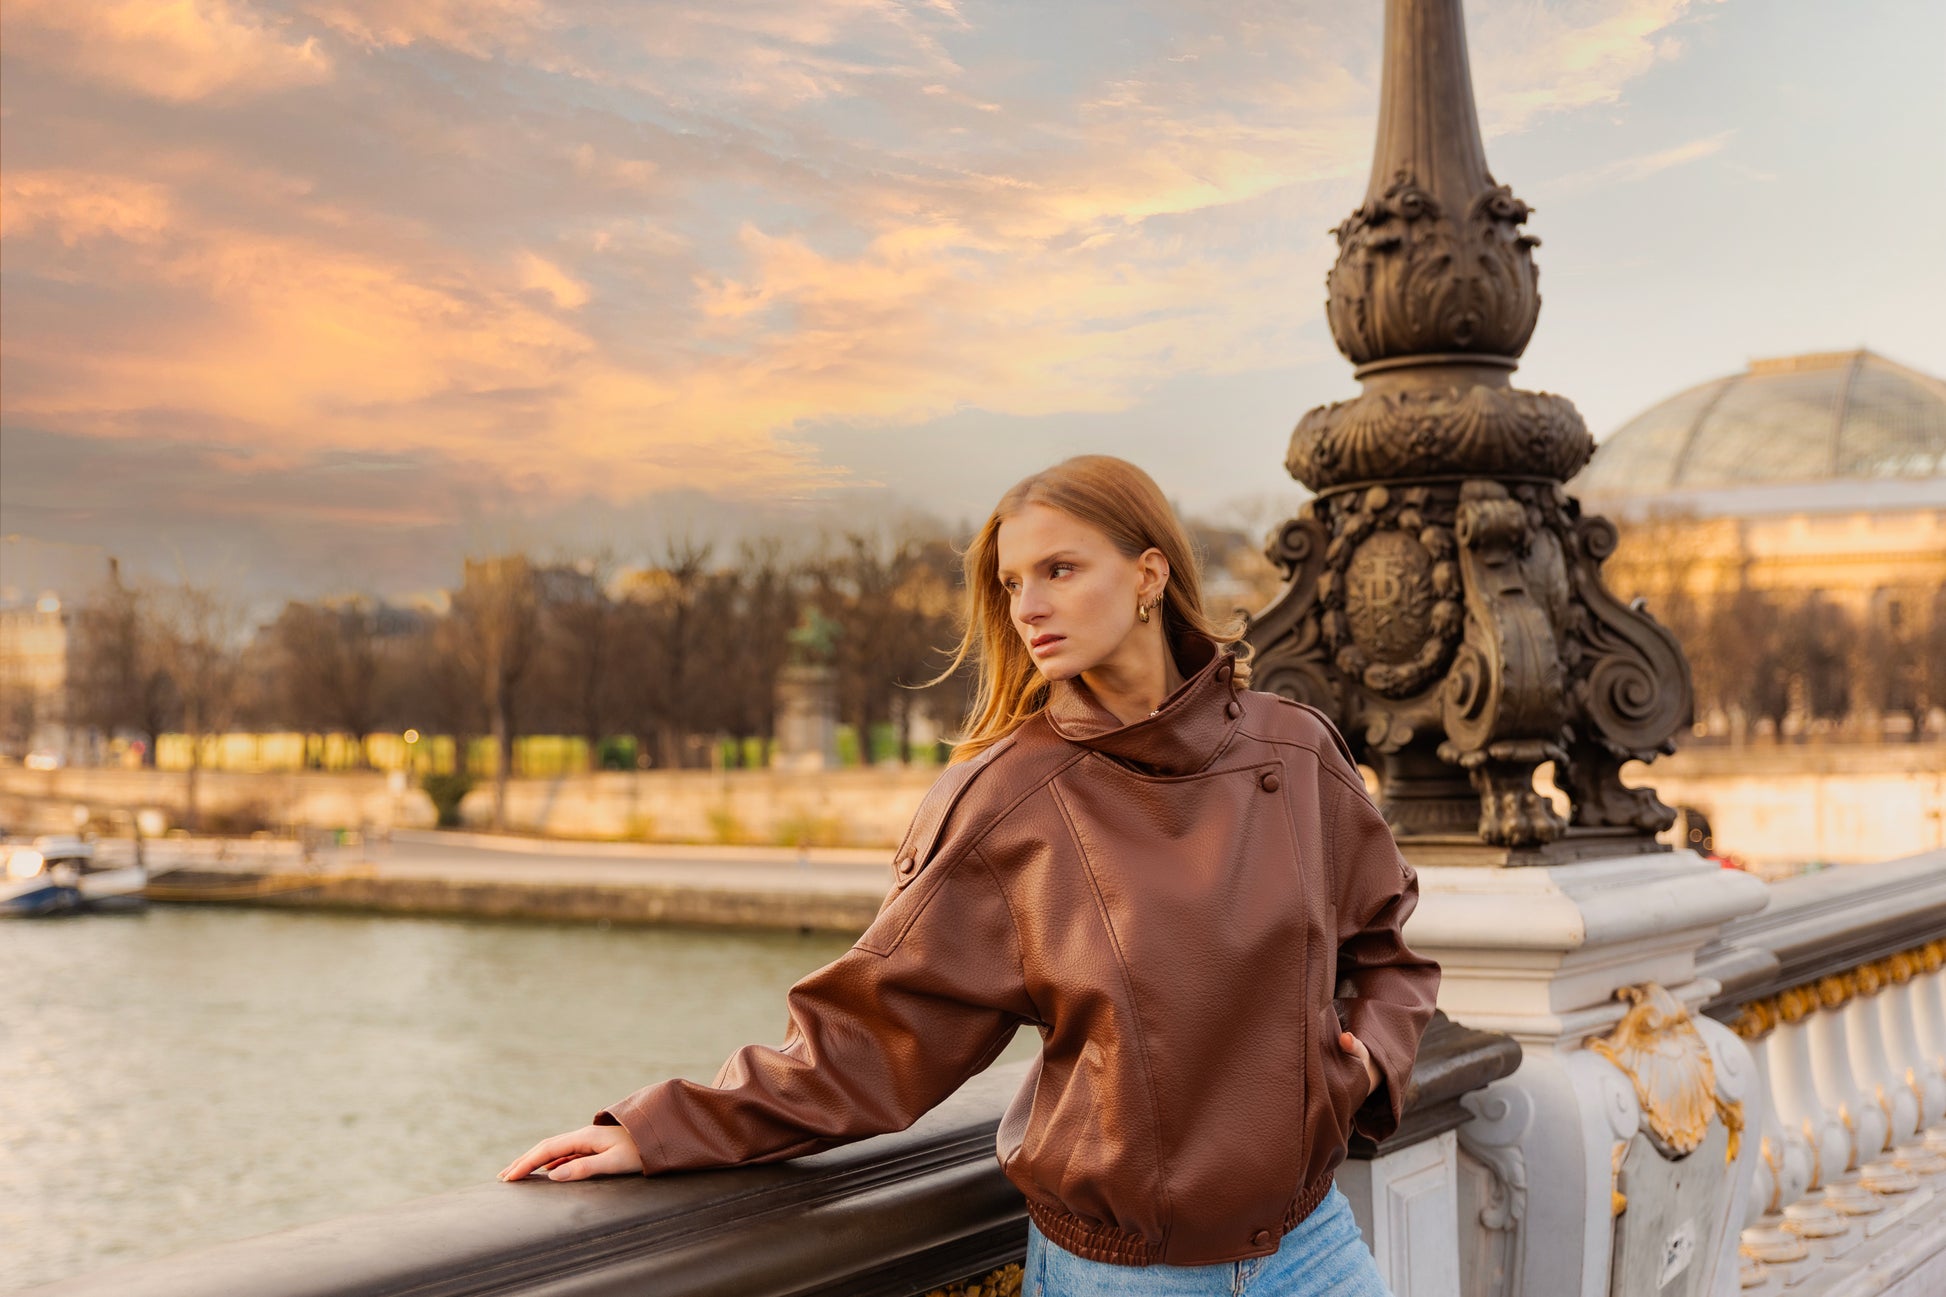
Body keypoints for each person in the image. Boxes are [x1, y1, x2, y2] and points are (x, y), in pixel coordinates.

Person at [501, 455, 1441, 1296]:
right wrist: (661, 1128)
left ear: (1149, 574)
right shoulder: (1006, 802)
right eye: (1012, 582)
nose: (1028, 606)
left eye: (1060, 569)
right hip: (1125, 1278)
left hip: (1312, 1246)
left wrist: (1362, 1066)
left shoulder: (1294, 749)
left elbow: (1386, 950)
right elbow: (870, 1037)